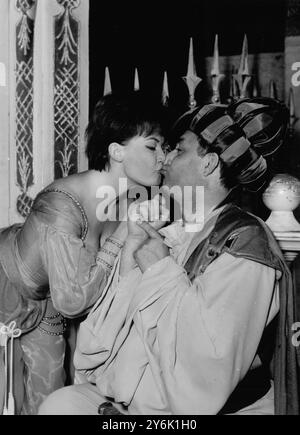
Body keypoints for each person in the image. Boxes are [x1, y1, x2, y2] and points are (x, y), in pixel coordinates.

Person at [39, 98, 299, 415]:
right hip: (136, 398)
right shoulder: (173, 232)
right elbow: (95, 348)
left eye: (179, 149)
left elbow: (206, 369)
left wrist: (159, 269)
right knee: (61, 405)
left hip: (200, 410)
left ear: (209, 164)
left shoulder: (245, 242)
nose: (165, 159)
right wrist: (132, 252)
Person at [0, 91, 169, 415]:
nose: (162, 158)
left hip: (48, 311)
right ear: (116, 151)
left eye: (163, 147)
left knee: (48, 402)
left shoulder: (129, 203)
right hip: (5, 289)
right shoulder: (62, 203)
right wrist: (122, 235)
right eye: (151, 146)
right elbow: (73, 300)